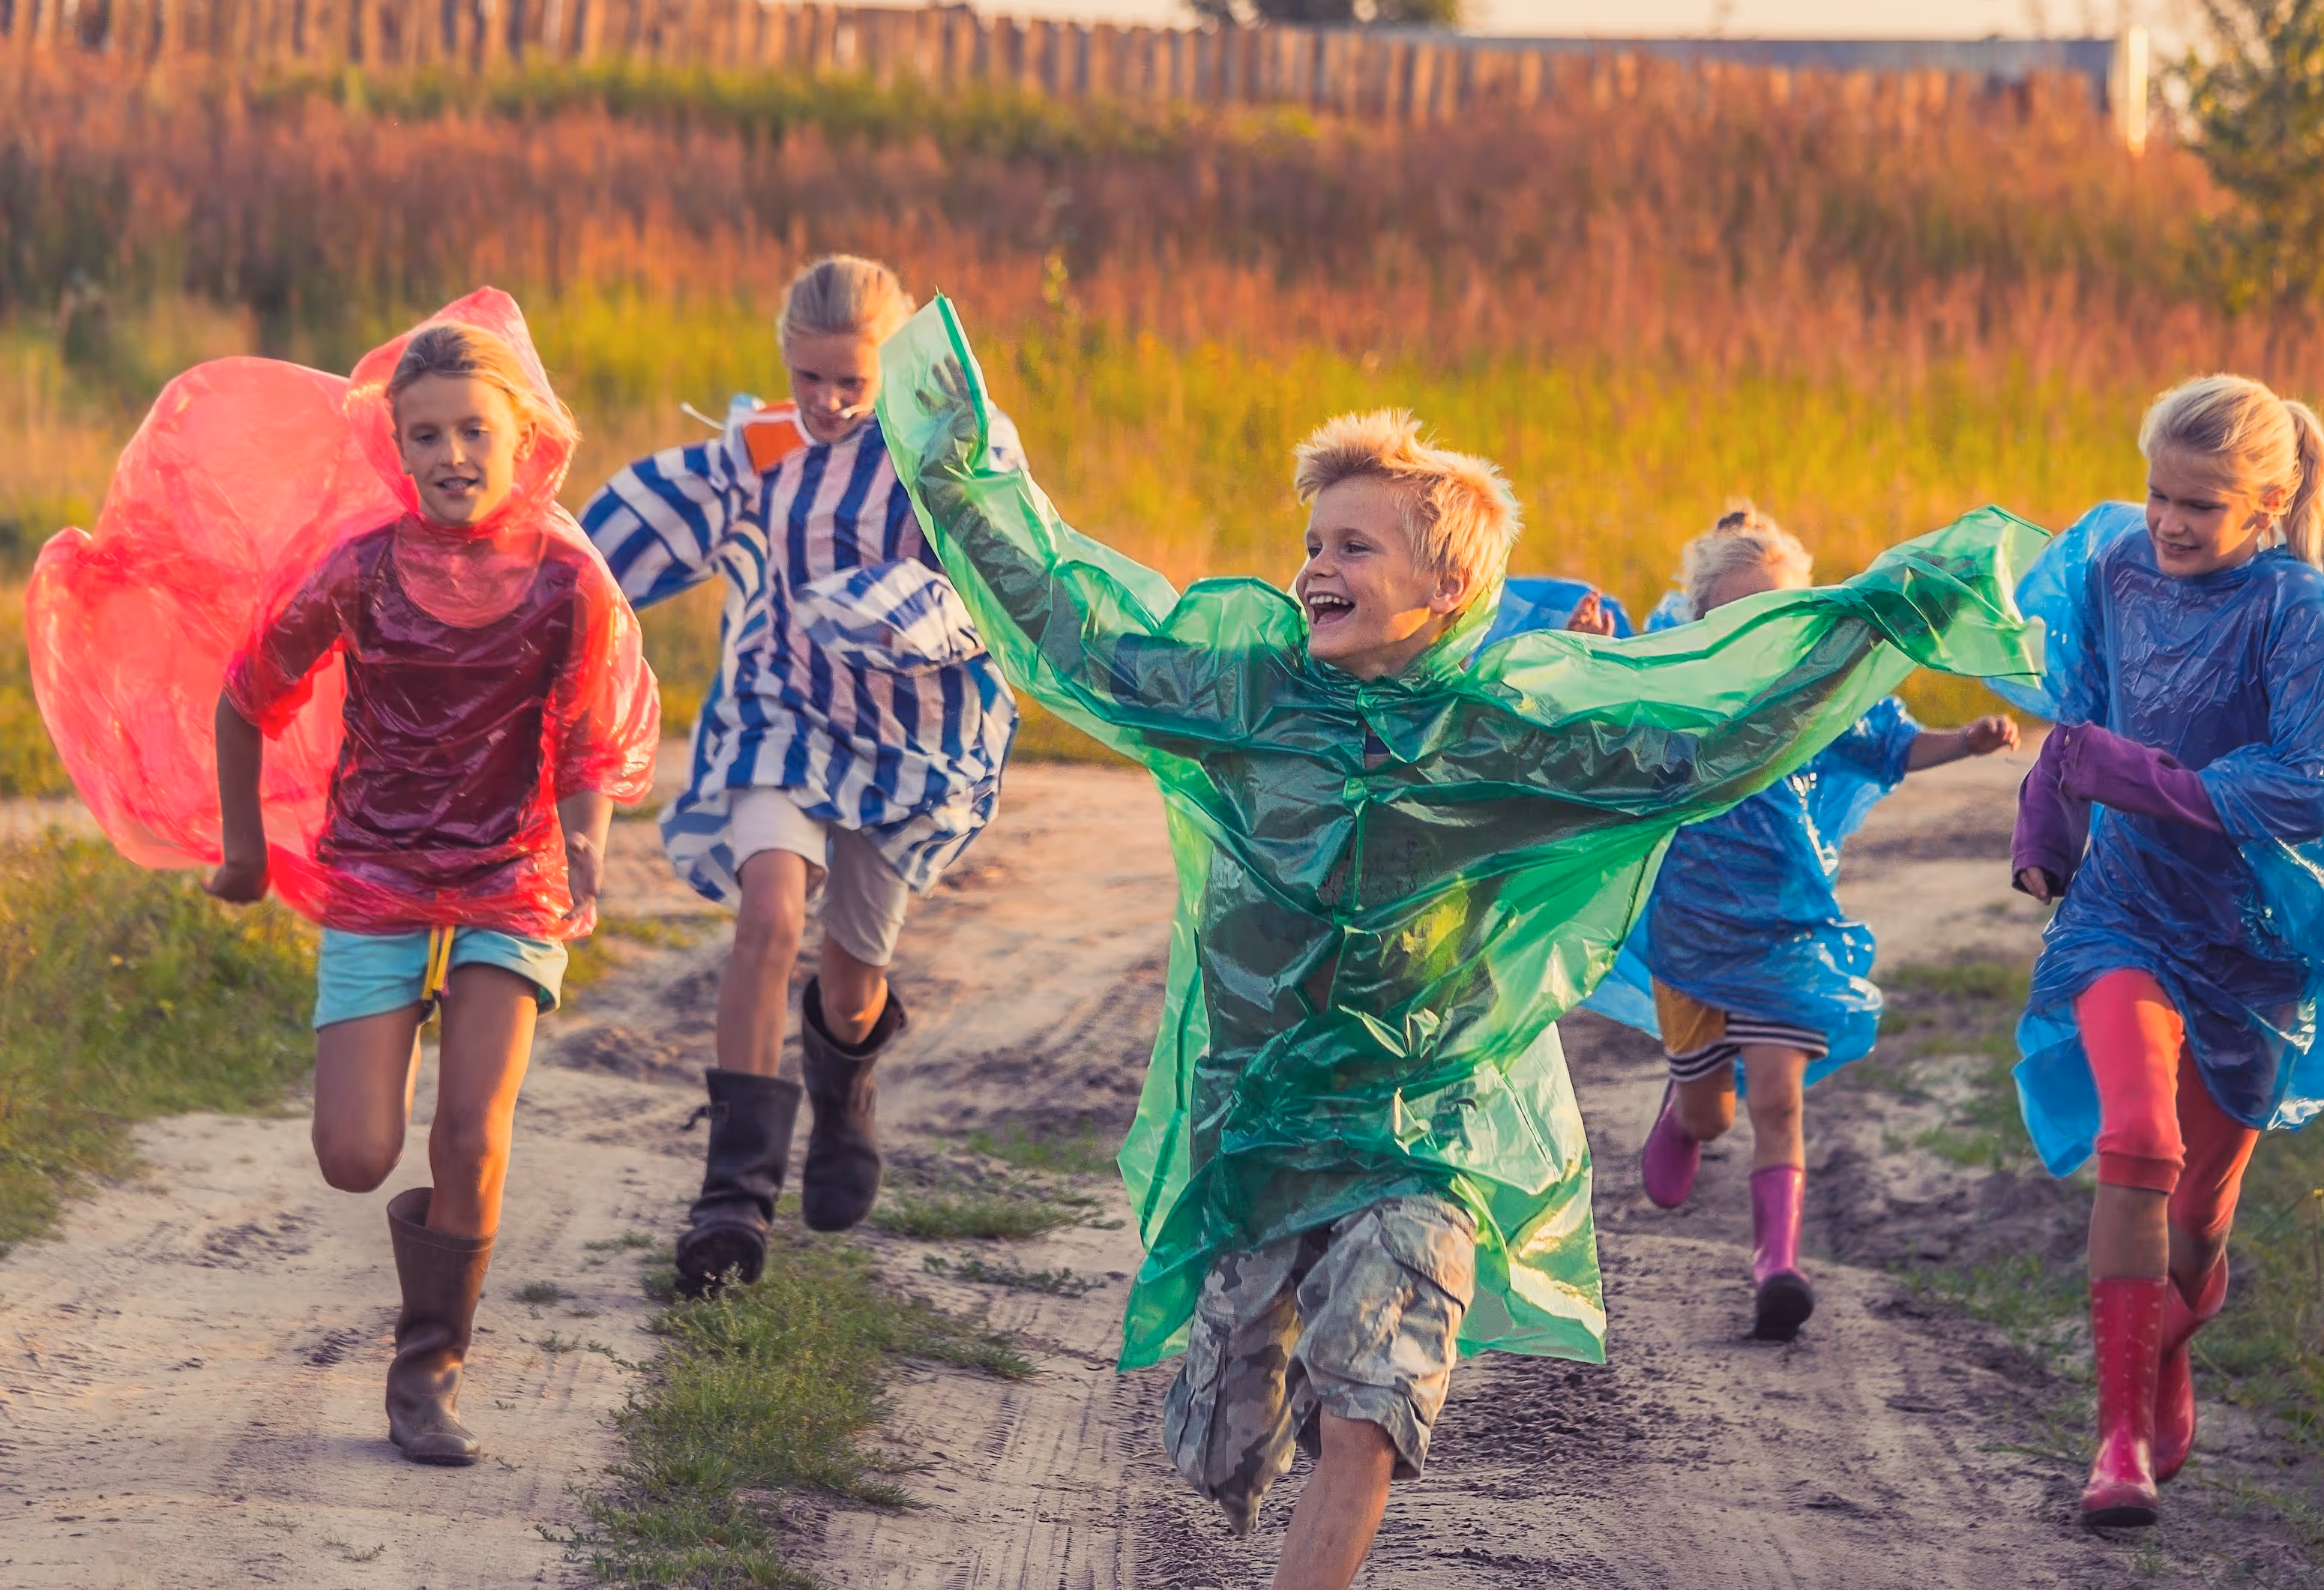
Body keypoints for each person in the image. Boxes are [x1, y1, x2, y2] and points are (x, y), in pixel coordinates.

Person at [874, 295, 2044, 1589]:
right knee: (1219, 1445)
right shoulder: (1248, 694)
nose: (1317, 566)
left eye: (1356, 547)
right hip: (1261, 1117)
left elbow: (1701, 736)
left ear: (1447, 588)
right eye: (1311, 541)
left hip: (1429, 1122)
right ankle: (1273, 1375)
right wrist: (960, 468)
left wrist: (1883, 617)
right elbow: (1075, 624)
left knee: (1377, 1390)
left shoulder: (1504, 736)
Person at [33, 295, 660, 1467]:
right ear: (396, 447)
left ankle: (429, 1369)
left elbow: (589, 738)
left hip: (510, 877)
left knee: (471, 1131)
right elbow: (244, 692)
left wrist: (589, 844)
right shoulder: (362, 570)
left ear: (523, 436)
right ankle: (409, 1087)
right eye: (425, 434)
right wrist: (237, 849)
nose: (452, 455)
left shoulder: (567, 582)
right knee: (355, 1153)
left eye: (474, 429)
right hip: (375, 865)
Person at [1996, 374, 2324, 1529]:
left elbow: (2303, 787)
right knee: (2135, 1139)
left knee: (2201, 1217)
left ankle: (2168, 1341)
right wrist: (2047, 833)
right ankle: (2114, 1448)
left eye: (2201, 503)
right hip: (2120, 910)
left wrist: (2145, 778)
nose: (2169, 521)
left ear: (2269, 500)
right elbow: (2080, 723)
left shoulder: (2305, 613)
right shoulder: (2117, 573)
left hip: (2256, 932)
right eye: (2158, 492)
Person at [580, 256, 1020, 1298]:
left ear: (890, 370)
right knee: (768, 914)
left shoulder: (945, 454)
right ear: (786, 358)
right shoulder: (760, 454)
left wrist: (906, 608)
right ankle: (731, 1196)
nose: (825, 403)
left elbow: (1003, 574)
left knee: (849, 974)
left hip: (906, 737)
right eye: (808, 376)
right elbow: (623, 540)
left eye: (849, 383)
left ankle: (847, 1086)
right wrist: (539, 588)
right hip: (779, 711)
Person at [1601, 505, 2019, 1343]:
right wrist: (1594, 632)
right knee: (1710, 1115)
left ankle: (1775, 1267)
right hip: (1690, 938)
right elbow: (1595, 712)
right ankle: (1681, 1116)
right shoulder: (1673, 690)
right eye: (1737, 615)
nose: (1760, 632)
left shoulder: (1816, 698)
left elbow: (1888, 746)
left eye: (1777, 614)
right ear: (1696, 619)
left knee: (1779, 1105)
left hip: (1788, 932)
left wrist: (1966, 741)